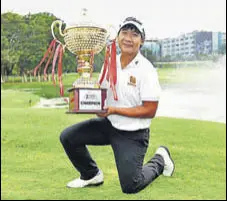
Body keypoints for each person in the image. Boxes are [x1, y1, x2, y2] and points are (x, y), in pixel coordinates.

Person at [60, 16, 175, 194]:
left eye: (135, 34)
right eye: (125, 33)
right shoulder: (110, 61)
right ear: (118, 37)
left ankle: (160, 159)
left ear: (142, 40)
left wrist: (114, 110)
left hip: (133, 134)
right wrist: (85, 101)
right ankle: (91, 174)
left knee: (131, 186)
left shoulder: (146, 70)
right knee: (68, 137)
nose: (128, 38)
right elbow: (101, 95)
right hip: (109, 126)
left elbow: (150, 110)